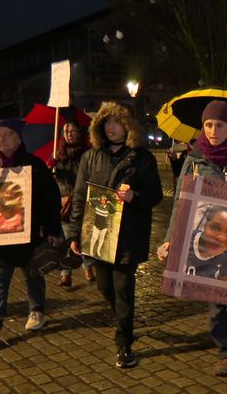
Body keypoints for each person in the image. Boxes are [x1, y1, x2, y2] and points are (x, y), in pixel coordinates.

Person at [158, 100, 227, 377]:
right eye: (208, 125)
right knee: (218, 301)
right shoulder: (194, 161)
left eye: (219, 124)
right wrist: (171, 238)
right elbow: (181, 203)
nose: (214, 130)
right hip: (210, 242)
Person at [68, 102, 163, 368]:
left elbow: (156, 194)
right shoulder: (91, 157)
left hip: (128, 235)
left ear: (127, 126)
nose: (111, 127)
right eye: (107, 122)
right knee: (104, 286)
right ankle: (124, 322)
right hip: (98, 234)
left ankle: (124, 344)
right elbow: (79, 196)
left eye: (117, 122)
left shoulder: (142, 158)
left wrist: (135, 197)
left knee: (123, 289)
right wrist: (74, 233)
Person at [0, 118, 62, 342]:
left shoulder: (34, 164)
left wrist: (52, 227)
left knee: (32, 273)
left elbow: (51, 198)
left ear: (18, 138)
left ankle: (37, 309)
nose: (1, 138)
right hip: (0, 232)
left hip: (29, 231)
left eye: (7, 134)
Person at [48, 120, 93, 287]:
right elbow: (50, 185)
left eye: (72, 130)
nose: (69, 134)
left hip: (83, 203)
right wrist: (52, 171)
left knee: (82, 238)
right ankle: (66, 274)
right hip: (65, 204)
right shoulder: (57, 156)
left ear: (79, 133)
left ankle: (87, 266)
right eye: (66, 131)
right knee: (68, 239)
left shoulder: (87, 154)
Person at [185, 205, 227, 282]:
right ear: (205, 225)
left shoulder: (226, 254)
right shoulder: (187, 239)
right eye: (215, 228)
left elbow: (225, 279)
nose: (221, 237)